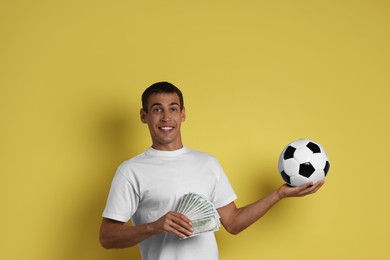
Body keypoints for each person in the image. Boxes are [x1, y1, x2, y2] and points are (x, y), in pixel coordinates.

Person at [99, 81, 324, 260]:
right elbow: (107, 237)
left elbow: (233, 223)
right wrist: (153, 226)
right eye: (157, 109)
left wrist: (279, 194)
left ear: (183, 114)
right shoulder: (131, 171)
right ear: (144, 116)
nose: (166, 117)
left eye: (173, 109)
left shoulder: (207, 164)